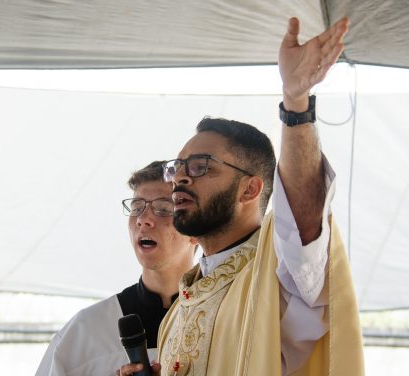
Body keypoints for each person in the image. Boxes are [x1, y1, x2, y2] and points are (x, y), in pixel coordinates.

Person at [119, 16, 364, 376]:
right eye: (178, 167)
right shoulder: (181, 306)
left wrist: (295, 104)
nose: (181, 177)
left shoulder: (280, 274)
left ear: (250, 188)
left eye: (201, 165)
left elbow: (303, 222)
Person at [36, 161, 197, 376]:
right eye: (137, 207)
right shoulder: (85, 333)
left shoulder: (229, 320)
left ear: (195, 230)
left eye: (163, 208)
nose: (143, 219)